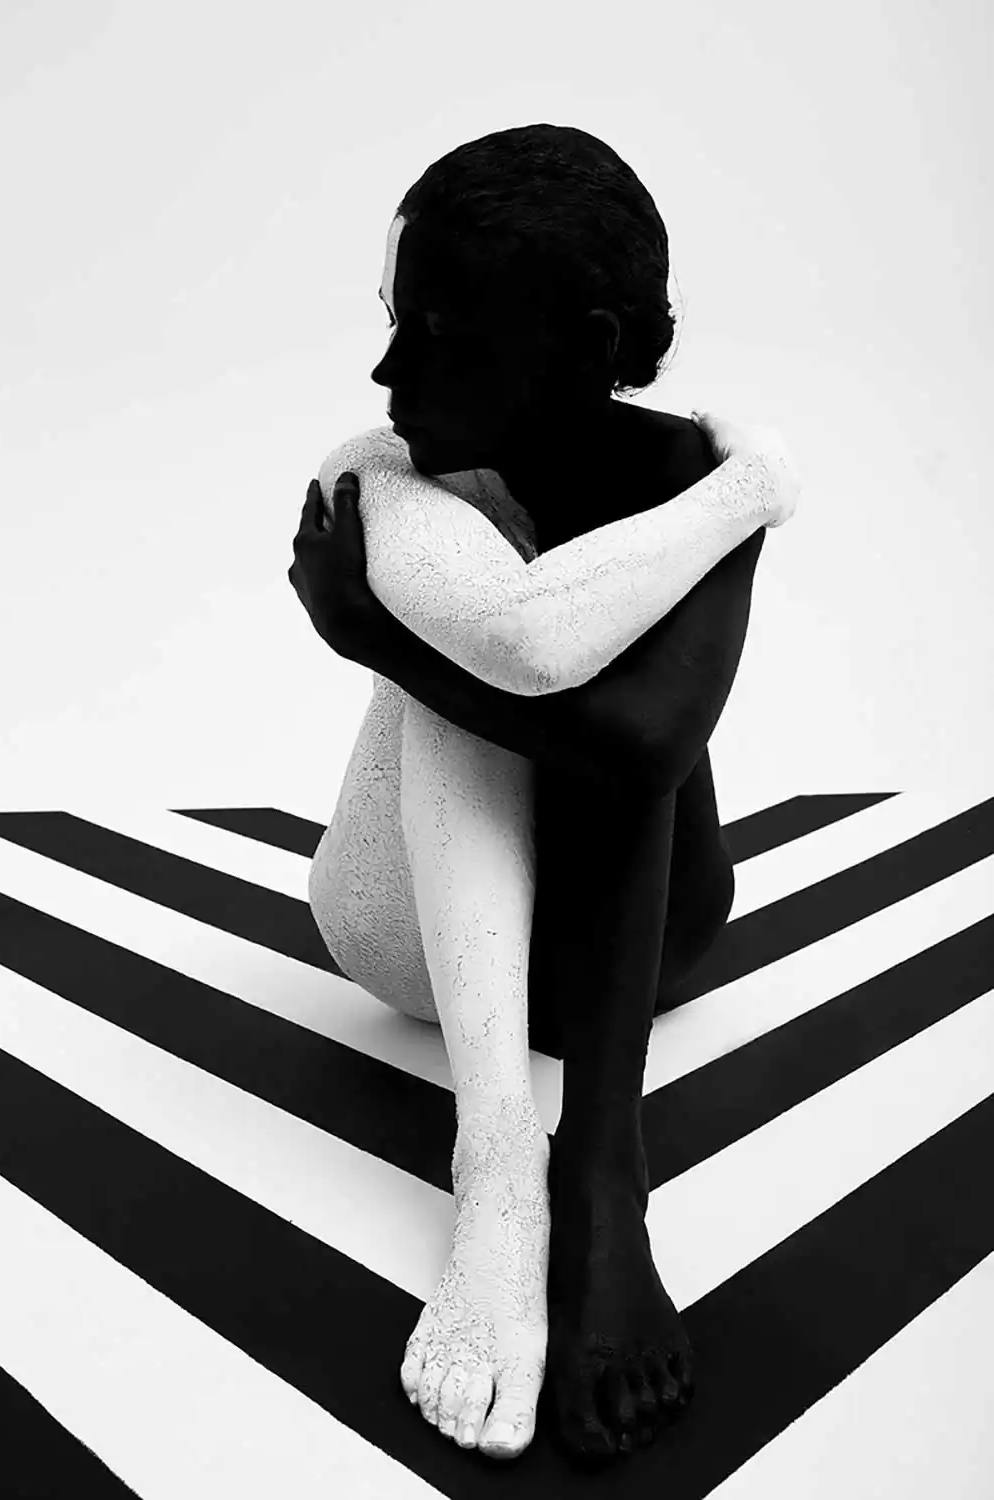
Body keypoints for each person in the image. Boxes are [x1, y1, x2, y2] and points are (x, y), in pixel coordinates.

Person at [289, 123, 798, 1466]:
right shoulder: (374, 473)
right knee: (485, 660)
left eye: (439, 333)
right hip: (405, 942)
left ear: (588, 343)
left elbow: (644, 746)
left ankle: (603, 1171)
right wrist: (751, 489)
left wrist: (370, 636)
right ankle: (503, 1156)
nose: (389, 372)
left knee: (569, 696)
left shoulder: (683, 481)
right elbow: (523, 641)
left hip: (649, 945)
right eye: (395, 322)